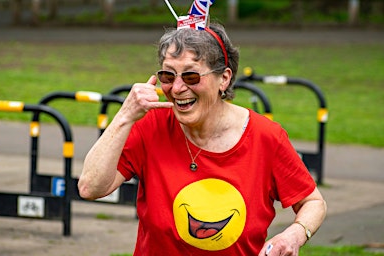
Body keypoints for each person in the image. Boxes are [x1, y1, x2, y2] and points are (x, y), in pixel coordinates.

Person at [78, 23, 327, 255]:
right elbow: (90, 188)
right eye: (168, 76)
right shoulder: (150, 126)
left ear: (224, 78)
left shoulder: (265, 137)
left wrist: (295, 234)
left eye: (191, 77)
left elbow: (313, 202)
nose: (176, 88)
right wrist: (125, 115)